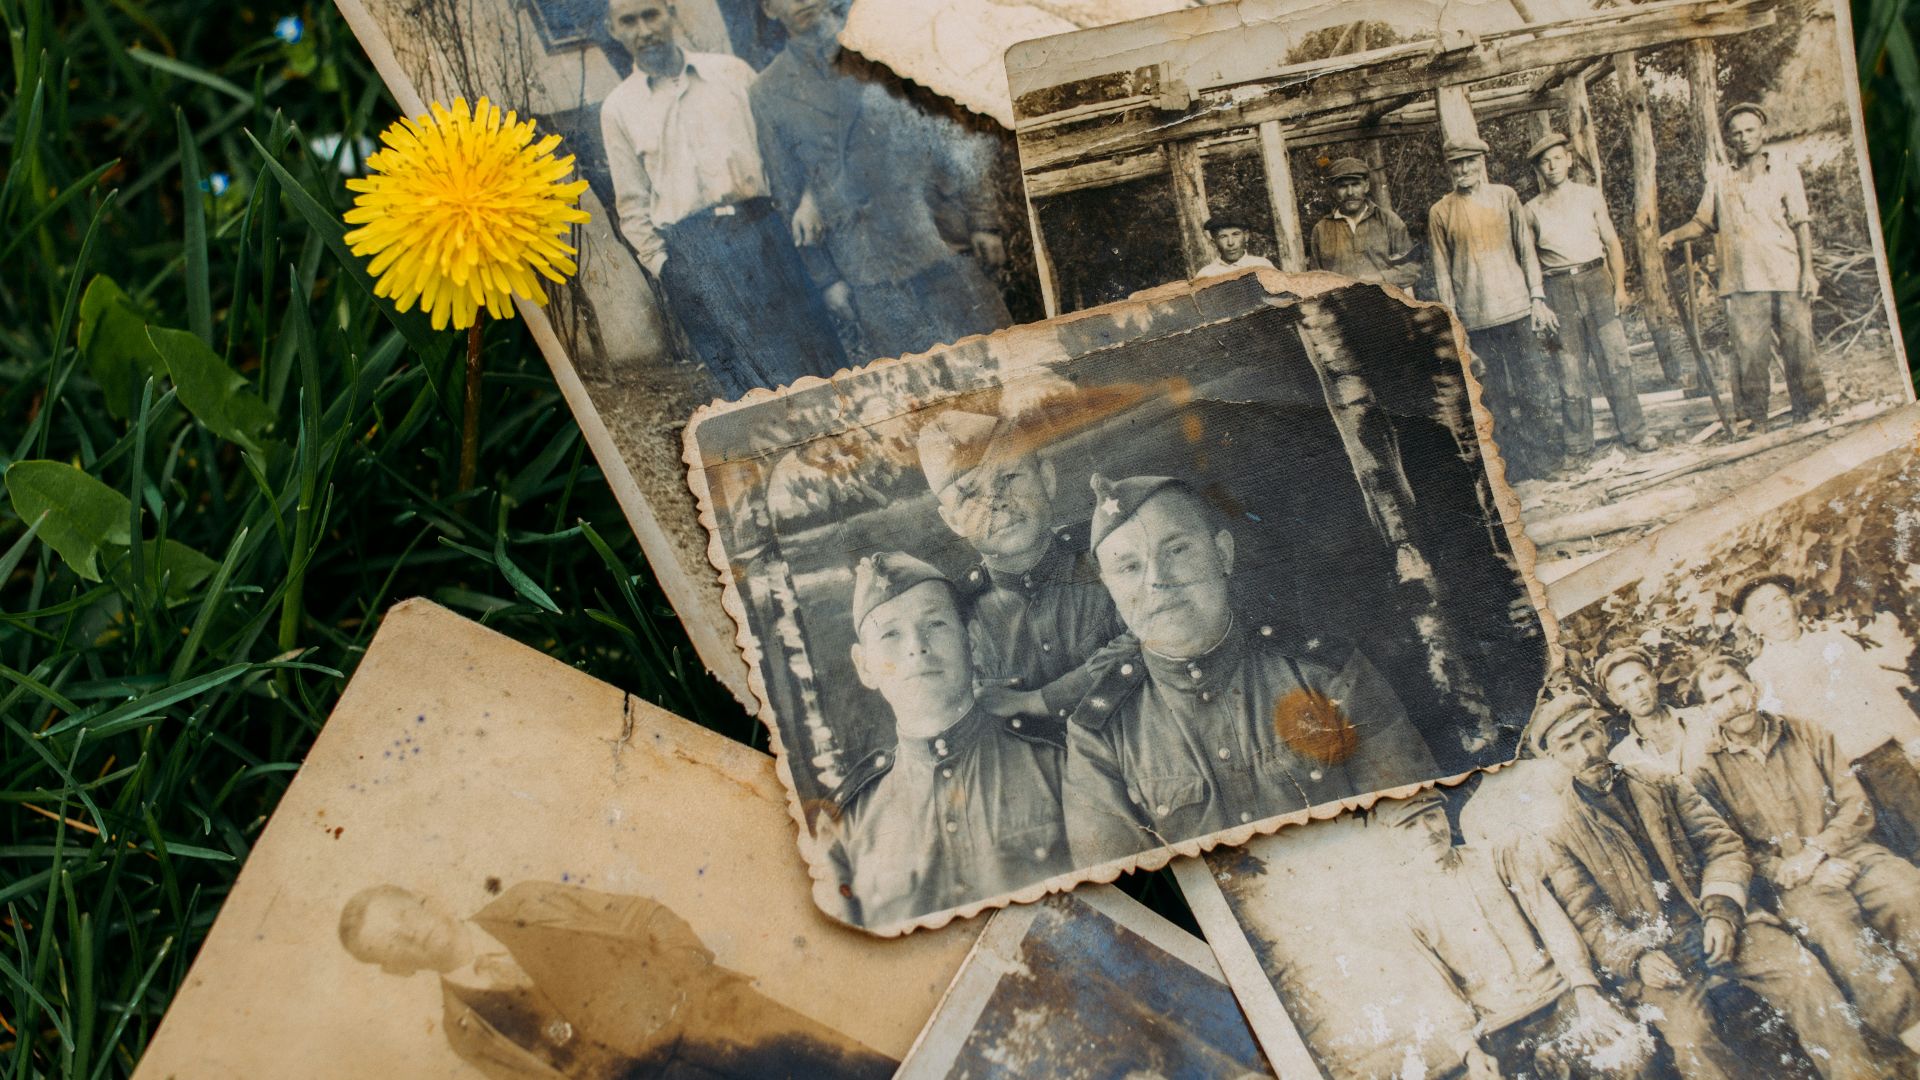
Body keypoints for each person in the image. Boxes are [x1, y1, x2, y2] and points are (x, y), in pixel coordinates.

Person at [1063, 474, 1438, 865]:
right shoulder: (1100, 736)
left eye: (1176, 550)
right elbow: (1133, 889)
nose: (1156, 580)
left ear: (1222, 554)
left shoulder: (1327, 674)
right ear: (1109, 588)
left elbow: (1416, 828)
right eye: (1128, 567)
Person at [1528, 693, 1881, 1080]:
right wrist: (1638, 959)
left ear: (1601, 732)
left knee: (1805, 977)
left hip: (1719, 919)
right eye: (1568, 746)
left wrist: (1722, 911)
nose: (1585, 753)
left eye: (1587, 736)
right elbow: (1591, 917)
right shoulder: (1560, 832)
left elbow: (1722, 845)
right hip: (1659, 954)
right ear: (1554, 757)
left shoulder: (1660, 780)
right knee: (1693, 1042)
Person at [338, 880, 894, 1079]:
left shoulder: (528, 902)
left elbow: (641, 915)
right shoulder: (466, 1032)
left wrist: (693, 979)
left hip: (722, 1019)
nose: (412, 935)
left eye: (404, 917)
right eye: (393, 943)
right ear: (396, 967)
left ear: (426, 899)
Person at [598, 0, 846, 400]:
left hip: (765, 234)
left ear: (671, 13)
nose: (644, 31)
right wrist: (668, 269)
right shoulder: (618, 109)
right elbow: (632, 204)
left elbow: (785, 148)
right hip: (695, 256)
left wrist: (806, 201)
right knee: (751, 389)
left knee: (820, 364)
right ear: (613, 30)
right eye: (629, 21)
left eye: (651, 15)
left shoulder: (731, 72)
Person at [1685, 655, 1920, 1065]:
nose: (1732, 703)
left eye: (1737, 689)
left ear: (1754, 688)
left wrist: (1819, 851)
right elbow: (1731, 848)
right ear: (1707, 710)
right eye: (1718, 698)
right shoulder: (1705, 772)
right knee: (1838, 933)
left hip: (1849, 852)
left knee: (1907, 892)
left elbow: (1855, 804)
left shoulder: (1807, 732)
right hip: (1789, 881)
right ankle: (1911, 1029)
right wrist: (1794, 868)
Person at [750, 0, 1012, 361]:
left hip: (939, 238)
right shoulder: (767, 91)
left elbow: (949, 133)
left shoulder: (880, 48)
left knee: (1002, 358)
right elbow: (787, 189)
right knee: (921, 382)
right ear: (768, 8)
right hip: (866, 265)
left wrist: (984, 221)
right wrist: (827, 279)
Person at [820, 551, 1071, 927]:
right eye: (890, 634)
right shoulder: (849, 818)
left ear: (972, 641)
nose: (916, 647)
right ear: (864, 665)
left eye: (935, 624)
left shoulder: (1058, 760)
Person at [1380, 792, 1651, 1079]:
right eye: (1410, 826)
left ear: (1446, 817)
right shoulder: (1406, 910)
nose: (1427, 832)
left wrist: (1585, 989)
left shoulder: (1494, 856)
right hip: (1501, 1028)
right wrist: (1470, 1052)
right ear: (1396, 839)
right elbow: (1437, 989)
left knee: (1631, 1059)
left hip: (1561, 996)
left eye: (1431, 816)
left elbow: (1549, 921)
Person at [915, 408, 1126, 727]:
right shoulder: (957, 617)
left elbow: (1154, 643)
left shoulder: (1112, 554)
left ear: (1047, 479)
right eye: (970, 496)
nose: (995, 503)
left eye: (1008, 478)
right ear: (953, 521)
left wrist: (1037, 701)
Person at [1659, 103, 1827, 431]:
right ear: (1729, 139)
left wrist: (1808, 271)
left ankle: (1811, 410)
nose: (1744, 137)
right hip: (1744, 280)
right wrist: (1673, 236)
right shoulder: (1721, 178)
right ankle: (1754, 420)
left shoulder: (1784, 171)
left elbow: (1801, 222)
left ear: (1763, 132)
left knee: (1799, 347)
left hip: (1786, 273)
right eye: (1736, 133)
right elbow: (1702, 222)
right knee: (1749, 355)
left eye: (1750, 130)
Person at [1737, 573, 1920, 855]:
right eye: (1761, 608)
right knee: (1884, 855)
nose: (1776, 612)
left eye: (1779, 600)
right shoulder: (1758, 674)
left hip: (1885, 761)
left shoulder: (1834, 642)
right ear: (1752, 625)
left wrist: (1914, 743)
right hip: (1839, 782)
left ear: (1793, 603)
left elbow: (1882, 693)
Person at [1427, 137, 1564, 481]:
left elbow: (1527, 251)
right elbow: (1442, 273)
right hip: (1477, 321)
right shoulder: (1440, 212)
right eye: (1456, 163)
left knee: (1532, 386)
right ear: (1448, 167)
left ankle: (1546, 461)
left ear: (1482, 162)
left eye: (1470, 161)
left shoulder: (1505, 197)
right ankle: (1512, 469)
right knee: (1493, 397)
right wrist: (1453, 323)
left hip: (1517, 311)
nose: (1464, 169)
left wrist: (1536, 298)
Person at [1525, 133, 1657, 464]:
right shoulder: (1531, 210)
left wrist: (1620, 287)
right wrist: (1539, 300)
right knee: (1569, 370)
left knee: (1616, 361)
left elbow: (1612, 243)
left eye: (1557, 158)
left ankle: (1636, 431)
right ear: (1538, 169)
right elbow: (1530, 261)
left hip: (1597, 282)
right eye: (1544, 162)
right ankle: (1578, 445)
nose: (1552, 166)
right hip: (1558, 289)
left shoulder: (1590, 197)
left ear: (1569, 160)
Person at [1596, 646, 1714, 776]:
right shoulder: (1620, 758)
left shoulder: (1701, 717)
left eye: (1640, 679)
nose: (1638, 692)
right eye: (1624, 688)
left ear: (1654, 677)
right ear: (1614, 698)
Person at [1308, 157, 1419, 289]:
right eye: (1342, 186)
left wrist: (1381, 278)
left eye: (1355, 184)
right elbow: (1315, 280)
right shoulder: (1321, 230)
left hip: (1385, 300)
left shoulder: (1388, 220)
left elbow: (1412, 268)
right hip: (1339, 301)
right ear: (1333, 190)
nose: (1350, 192)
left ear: (1366, 186)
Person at [1194, 214, 1275, 279]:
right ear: (1214, 242)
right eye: (1223, 237)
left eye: (1236, 234)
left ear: (1246, 236)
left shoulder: (1262, 265)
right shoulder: (1206, 274)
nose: (1230, 242)